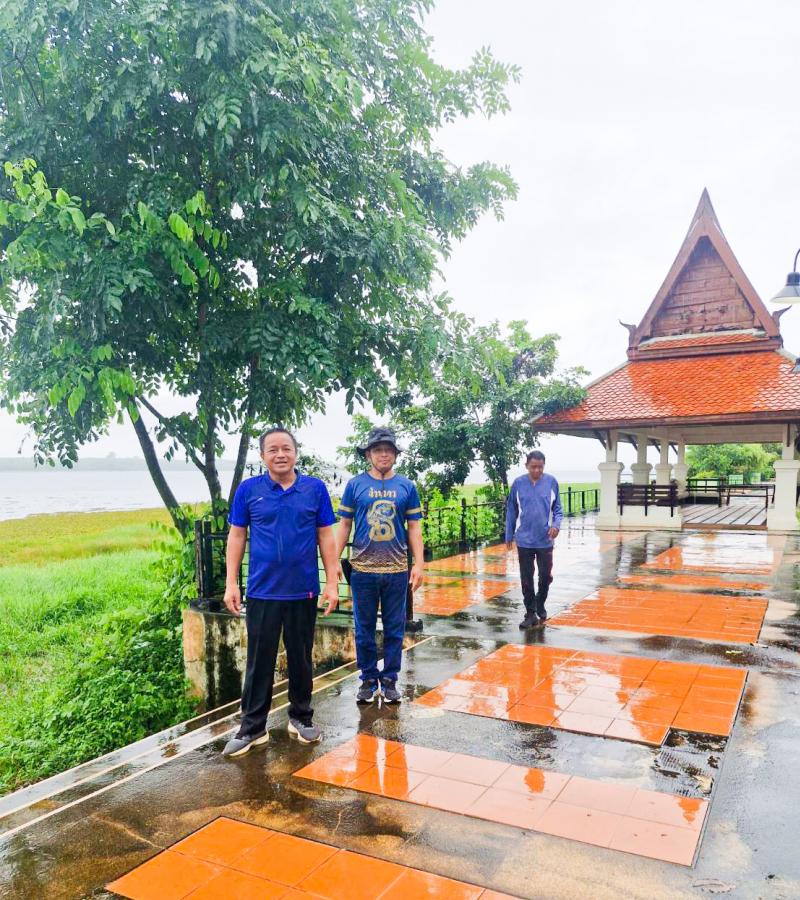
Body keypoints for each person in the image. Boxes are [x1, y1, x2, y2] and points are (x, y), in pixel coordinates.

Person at [221, 427, 340, 757]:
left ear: (295, 452)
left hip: (303, 591)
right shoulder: (249, 490)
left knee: (301, 658)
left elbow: (326, 536)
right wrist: (231, 583)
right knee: (259, 660)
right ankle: (252, 727)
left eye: (286, 448)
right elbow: (236, 536)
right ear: (262, 456)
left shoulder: (314, 489)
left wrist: (332, 582)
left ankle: (301, 718)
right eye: (272, 449)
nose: (280, 454)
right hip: (262, 591)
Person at [335, 427, 424, 704]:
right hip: (362, 570)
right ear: (368, 455)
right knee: (363, 628)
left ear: (395, 455)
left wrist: (419, 563)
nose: (383, 454)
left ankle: (390, 680)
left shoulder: (407, 486)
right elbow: (345, 525)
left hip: (397, 570)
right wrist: (333, 560)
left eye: (388, 450)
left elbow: (414, 527)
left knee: (395, 628)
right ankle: (368, 679)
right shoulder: (355, 485)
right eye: (377, 450)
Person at [505, 449, 562, 630]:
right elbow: (511, 510)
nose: (537, 470)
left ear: (544, 466)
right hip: (524, 540)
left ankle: (540, 602)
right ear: (527, 466)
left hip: (545, 539)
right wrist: (509, 534)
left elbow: (557, 509)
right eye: (533, 467)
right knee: (526, 578)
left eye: (540, 467)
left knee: (545, 576)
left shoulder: (551, 482)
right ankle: (530, 613)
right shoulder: (518, 483)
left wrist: (556, 526)